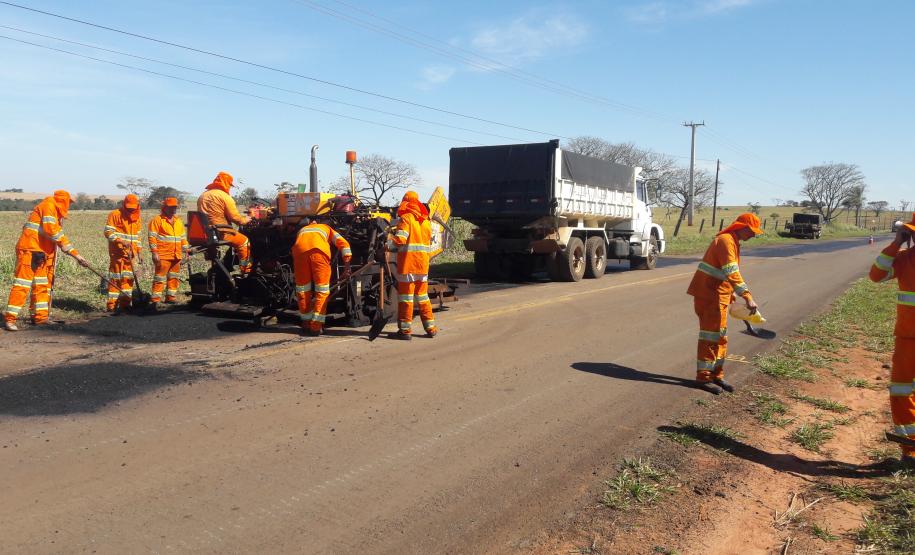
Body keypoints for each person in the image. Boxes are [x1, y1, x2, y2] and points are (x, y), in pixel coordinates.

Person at [686, 213, 763, 394]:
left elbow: (725, 274)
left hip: (719, 296)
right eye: (752, 231)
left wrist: (731, 294)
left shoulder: (733, 242)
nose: (753, 235)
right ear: (741, 227)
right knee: (710, 338)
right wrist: (747, 296)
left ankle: (717, 375)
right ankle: (703, 378)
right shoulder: (725, 241)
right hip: (709, 296)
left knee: (720, 337)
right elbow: (731, 272)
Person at [4, 190, 89, 331]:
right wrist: (75, 255)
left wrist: (73, 253)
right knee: (22, 285)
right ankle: (10, 319)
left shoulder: (55, 211)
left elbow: (53, 234)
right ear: (63, 200)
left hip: (42, 253)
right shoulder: (49, 206)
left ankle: (40, 317)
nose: (69, 206)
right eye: (69, 202)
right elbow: (52, 231)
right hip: (30, 249)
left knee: (42, 285)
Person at [869, 214, 915, 464]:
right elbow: (876, 275)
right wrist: (895, 244)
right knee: (902, 391)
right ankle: (911, 452)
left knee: (903, 390)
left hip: (908, 338)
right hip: (908, 339)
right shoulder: (904, 259)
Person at [389, 190, 437, 340]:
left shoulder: (406, 219)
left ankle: (405, 331)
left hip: (408, 266)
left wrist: (387, 241)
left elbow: (400, 240)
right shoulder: (426, 222)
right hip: (422, 267)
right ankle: (431, 328)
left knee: (406, 299)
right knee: (423, 298)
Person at [291, 219, 352, 336]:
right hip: (319, 253)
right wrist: (347, 265)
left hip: (299, 253)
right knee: (321, 290)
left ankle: (306, 324)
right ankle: (315, 327)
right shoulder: (327, 228)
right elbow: (344, 245)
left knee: (303, 290)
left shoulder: (303, 230)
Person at [196, 171, 252, 274]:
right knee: (244, 241)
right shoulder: (225, 197)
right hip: (221, 232)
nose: (230, 187)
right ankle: (246, 270)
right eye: (230, 185)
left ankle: (219, 267)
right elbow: (235, 218)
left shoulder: (203, 196)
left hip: (205, 233)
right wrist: (246, 220)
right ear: (226, 183)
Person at [104, 194, 142, 312]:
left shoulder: (137, 218)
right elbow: (108, 232)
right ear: (124, 204)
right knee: (116, 279)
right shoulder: (115, 214)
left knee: (128, 280)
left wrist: (139, 252)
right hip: (117, 254)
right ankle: (112, 306)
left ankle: (125, 305)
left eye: (133, 208)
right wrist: (121, 241)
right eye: (128, 207)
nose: (130, 209)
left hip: (131, 255)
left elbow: (137, 237)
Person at [147, 196, 188, 306]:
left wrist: (186, 251)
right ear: (164, 207)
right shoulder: (157, 220)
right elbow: (152, 238)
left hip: (176, 255)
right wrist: (154, 252)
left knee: (174, 277)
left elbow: (182, 238)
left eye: (174, 207)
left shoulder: (178, 221)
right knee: (159, 278)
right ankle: (155, 301)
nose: (173, 209)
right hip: (163, 255)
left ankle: (171, 298)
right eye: (170, 207)